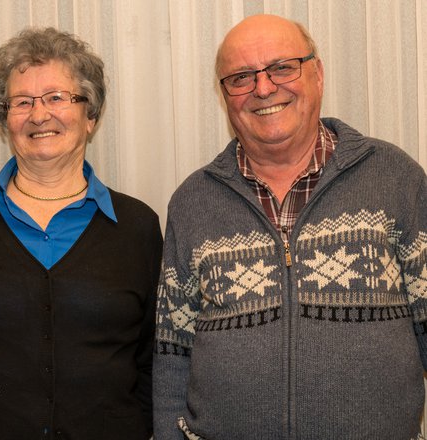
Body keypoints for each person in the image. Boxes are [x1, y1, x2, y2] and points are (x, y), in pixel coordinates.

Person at [153, 14, 426, 440]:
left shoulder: (395, 178)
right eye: (241, 77)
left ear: (317, 74)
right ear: (224, 94)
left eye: (282, 67)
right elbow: (173, 354)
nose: (263, 88)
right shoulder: (192, 202)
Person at [0, 27, 162, 440]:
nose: (39, 115)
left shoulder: (137, 226)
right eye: (22, 102)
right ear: (5, 119)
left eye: (56, 97)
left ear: (90, 116)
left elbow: (153, 351)